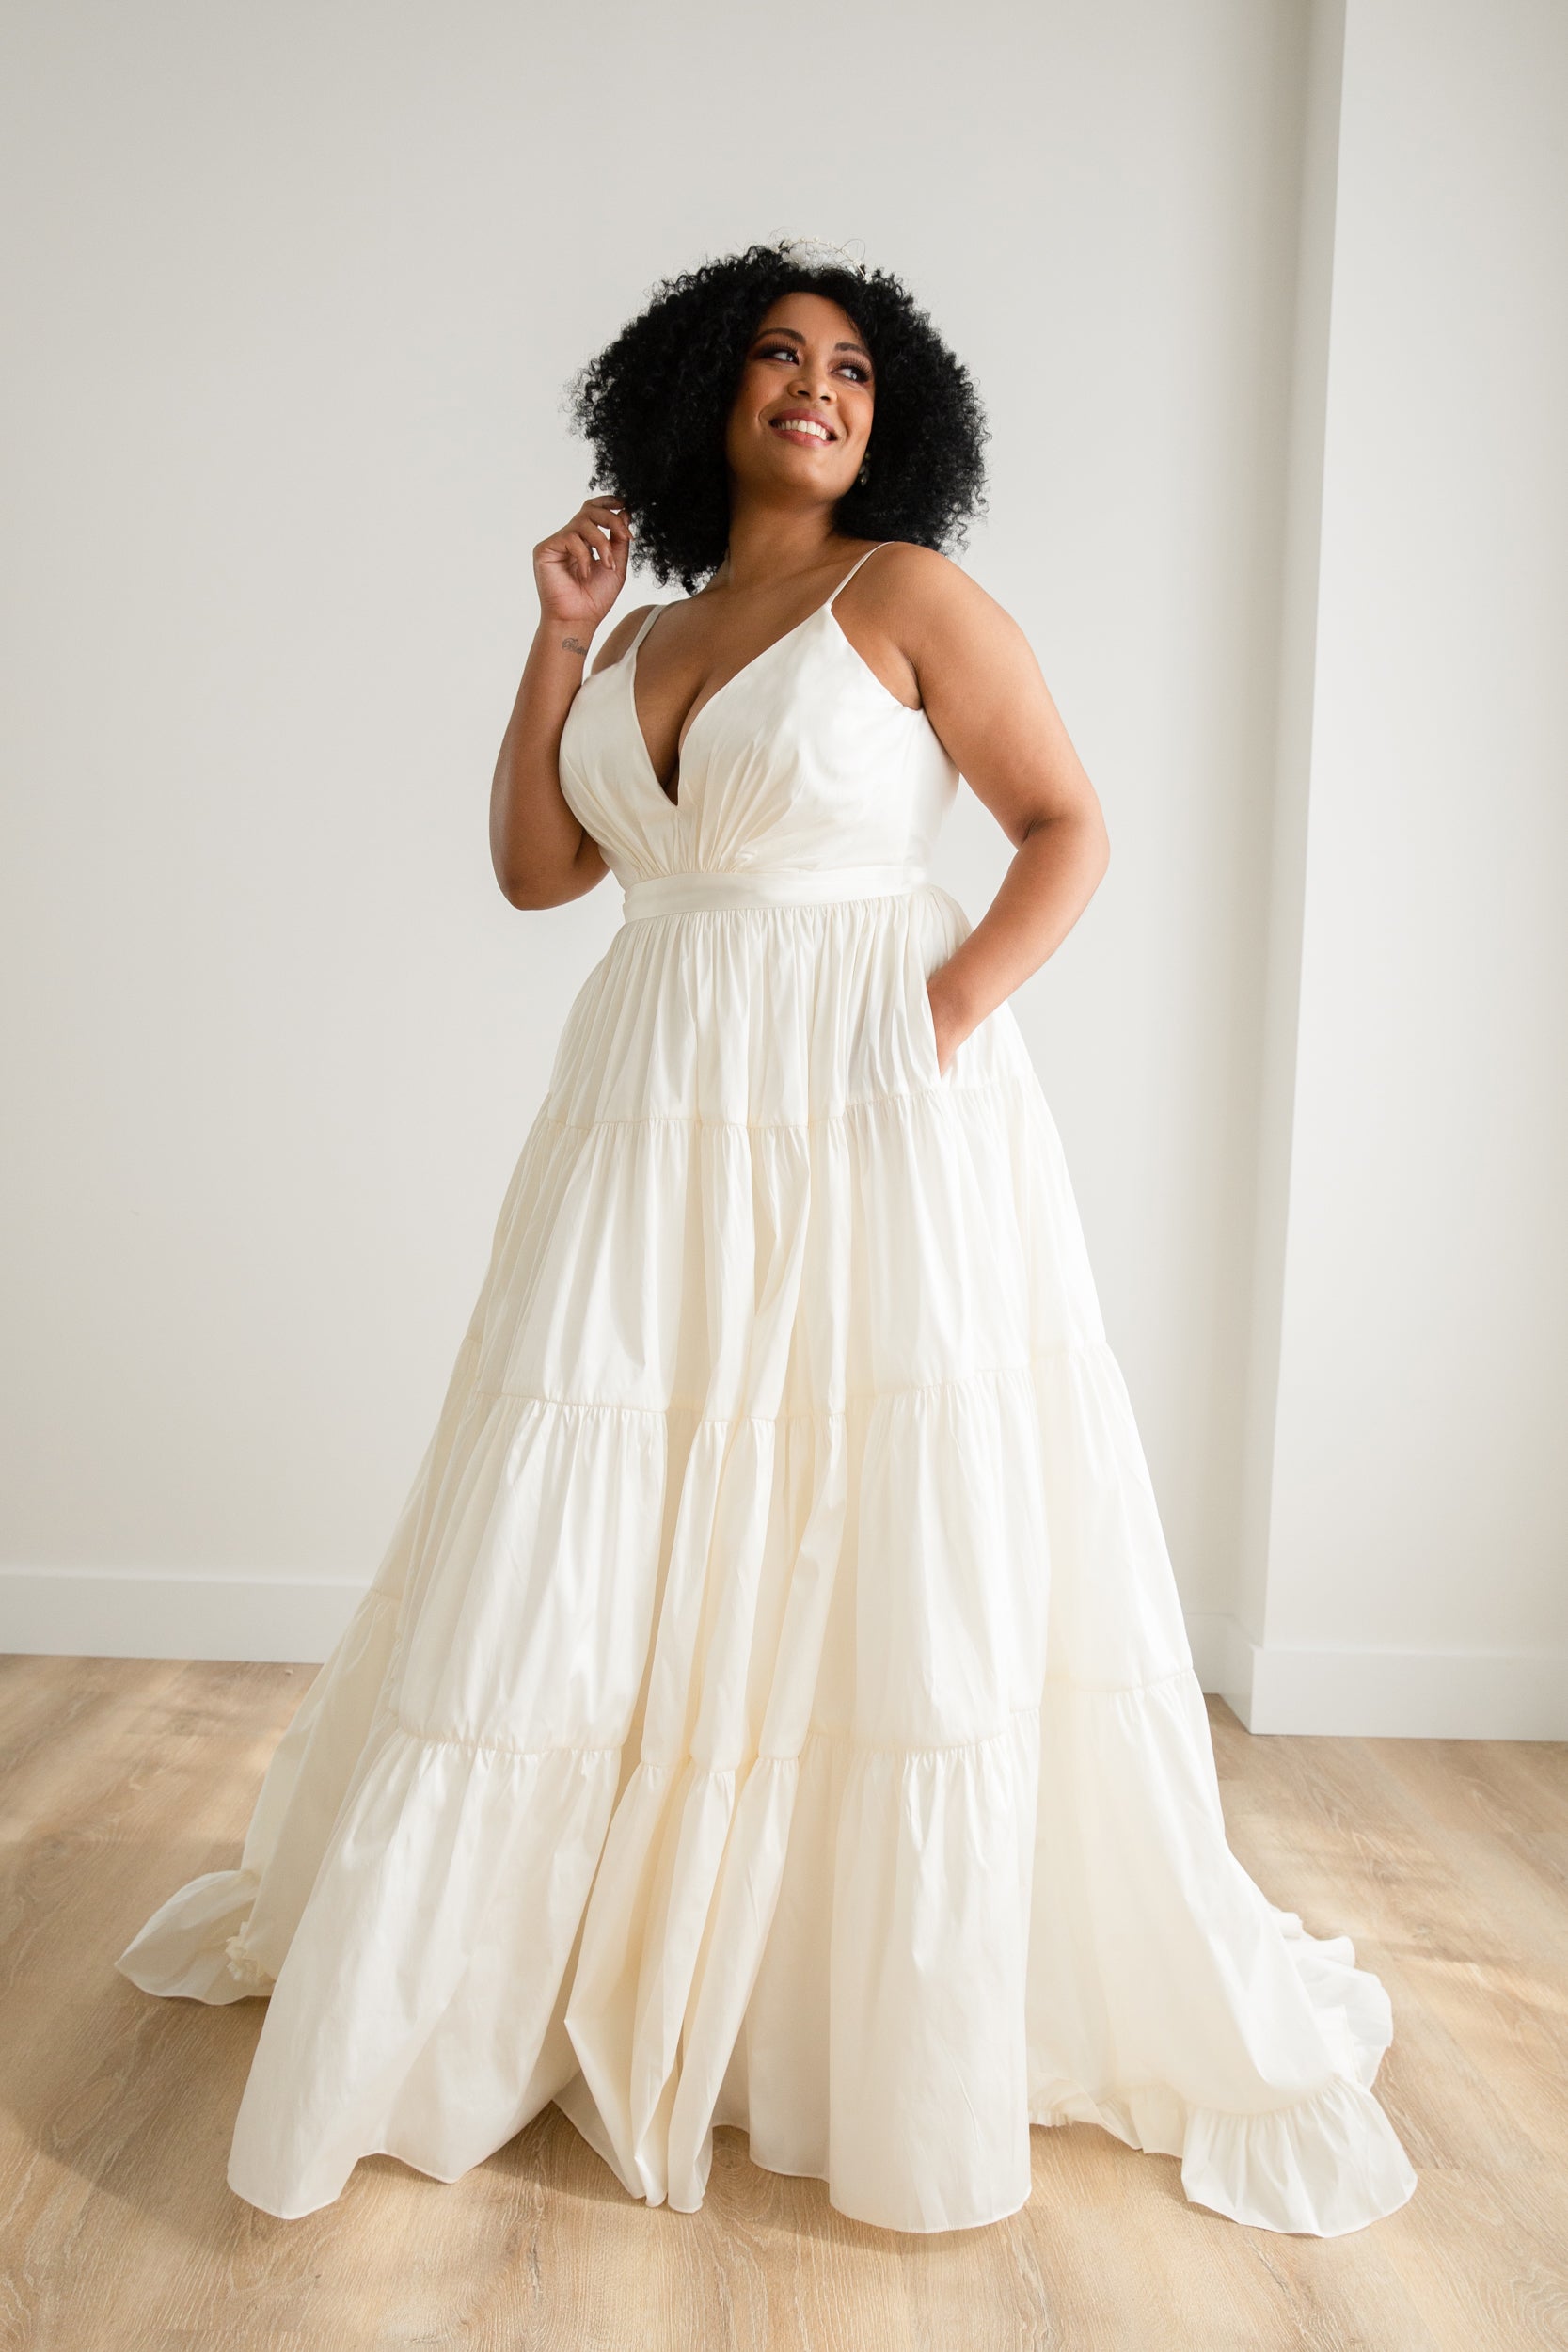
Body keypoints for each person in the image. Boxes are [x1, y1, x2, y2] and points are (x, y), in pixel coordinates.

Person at [116, 236, 1418, 2238]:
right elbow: (539, 868)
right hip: (648, 1099)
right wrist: (556, 636)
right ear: (704, 389)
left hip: (863, 1097)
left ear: (893, 427)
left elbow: (1067, 824)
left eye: (855, 371)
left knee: (856, 1509)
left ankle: (828, 2007)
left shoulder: (907, 596)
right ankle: (534, 1965)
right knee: (604, 1492)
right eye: (782, 356)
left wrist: (943, 1011)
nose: (819, 386)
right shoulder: (637, 632)